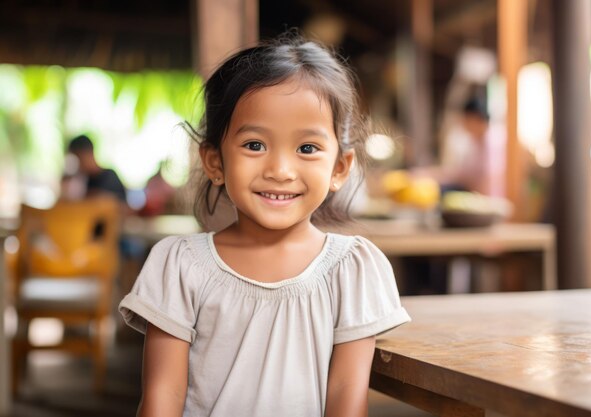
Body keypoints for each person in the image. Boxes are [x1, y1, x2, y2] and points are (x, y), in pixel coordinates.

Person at [118, 35, 410, 417]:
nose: (281, 171)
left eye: (307, 148)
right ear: (214, 162)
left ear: (339, 168)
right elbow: (162, 398)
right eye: (255, 145)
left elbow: (346, 398)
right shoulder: (180, 266)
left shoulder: (353, 270)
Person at [67, 134, 127, 204]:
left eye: (78, 159)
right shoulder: (86, 180)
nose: (77, 165)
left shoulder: (109, 177)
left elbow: (114, 204)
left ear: (88, 153)